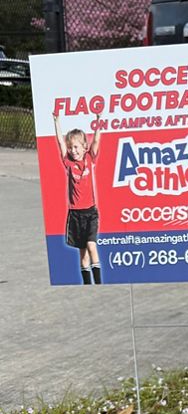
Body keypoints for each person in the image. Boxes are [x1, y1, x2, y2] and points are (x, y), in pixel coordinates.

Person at [53, 112, 102, 285]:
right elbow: (60, 142)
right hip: (75, 214)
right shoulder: (68, 162)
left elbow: (96, 141)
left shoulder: (90, 158)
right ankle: (88, 284)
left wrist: (98, 120)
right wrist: (56, 121)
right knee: (83, 255)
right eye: (71, 147)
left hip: (90, 212)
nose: (73, 151)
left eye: (76, 147)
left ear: (84, 147)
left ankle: (99, 283)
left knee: (91, 245)